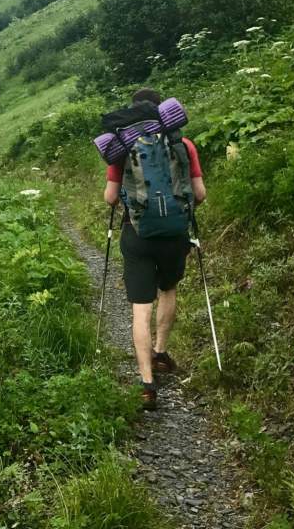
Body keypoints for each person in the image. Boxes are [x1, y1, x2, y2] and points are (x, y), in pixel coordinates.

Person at [103, 88, 206, 410]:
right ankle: (161, 353)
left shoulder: (122, 147)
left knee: (140, 308)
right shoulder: (182, 144)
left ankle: (147, 382)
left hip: (137, 237)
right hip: (175, 235)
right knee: (168, 289)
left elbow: (109, 198)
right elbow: (199, 194)